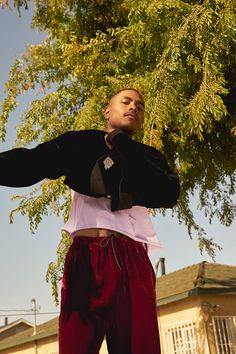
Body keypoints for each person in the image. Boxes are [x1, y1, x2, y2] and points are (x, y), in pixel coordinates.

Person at [0, 88, 180, 354]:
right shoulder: (80, 144)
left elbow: (168, 193)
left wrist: (123, 145)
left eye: (140, 106)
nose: (134, 107)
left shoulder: (149, 157)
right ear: (108, 110)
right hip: (88, 257)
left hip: (133, 260)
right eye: (126, 101)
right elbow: (32, 163)